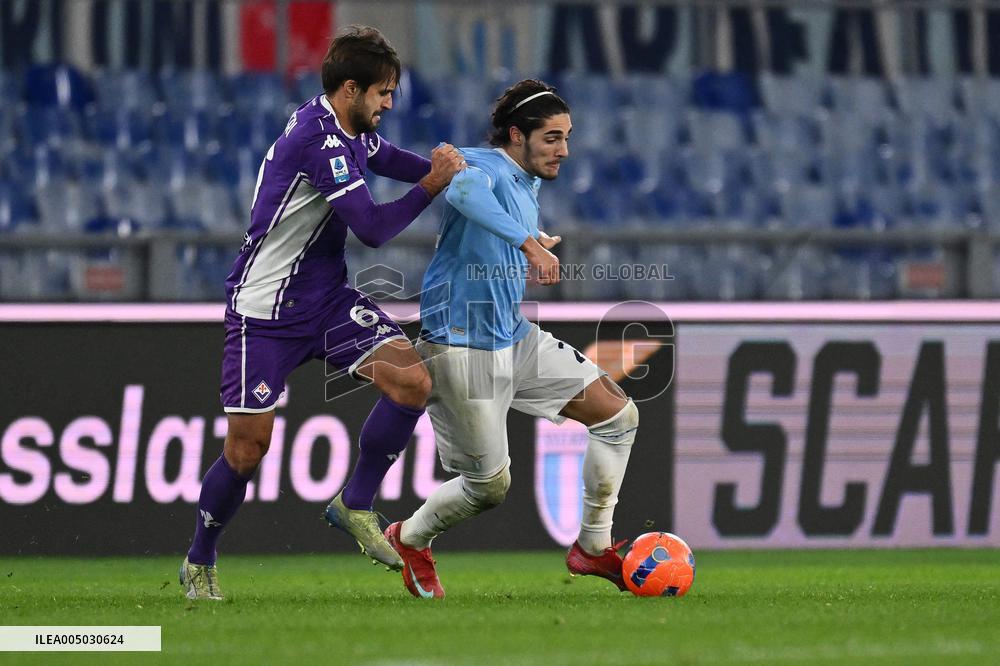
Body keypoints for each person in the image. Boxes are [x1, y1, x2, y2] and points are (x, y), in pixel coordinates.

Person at [179, 26, 465, 600]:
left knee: (413, 381)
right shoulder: (321, 141)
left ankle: (354, 504)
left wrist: (462, 172)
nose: (389, 104)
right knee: (247, 450)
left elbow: (389, 159)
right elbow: (373, 228)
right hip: (264, 310)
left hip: (327, 299)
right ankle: (200, 557)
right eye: (383, 93)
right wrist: (434, 185)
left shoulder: (347, 128)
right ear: (352, 89)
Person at [382, 80, 639, 598]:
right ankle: (410, 538)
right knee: (489, 488)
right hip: (460, 342)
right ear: (517, 136)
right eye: (552, 138)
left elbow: (489, 227)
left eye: (567, 137)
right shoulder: (481, 164)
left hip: (513, 336)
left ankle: (592, 548)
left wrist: (530, 240)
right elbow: (465, 192)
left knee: (617, 415)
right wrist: (529, 244)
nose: (564, 150)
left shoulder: (525, 181)